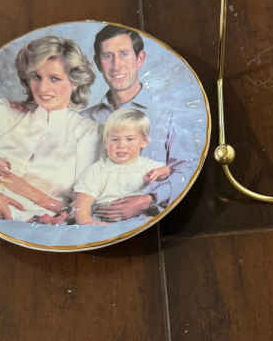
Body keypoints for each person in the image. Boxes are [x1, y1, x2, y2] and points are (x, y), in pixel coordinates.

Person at [0, 36, 100, 222]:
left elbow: (84, 203)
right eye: (36, 77)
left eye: (54, 79)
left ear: (75, 82)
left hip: (37, 222)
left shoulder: (89, 133)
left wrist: (35, 197)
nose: (43, 88)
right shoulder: (6, 113)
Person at [82, 24, 197, 222]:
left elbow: (188, 169)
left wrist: (149, 199)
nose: (116, 65)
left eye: (124, 54)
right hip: (91, 223)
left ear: (140, 59)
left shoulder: (169, 113)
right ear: (98, 63)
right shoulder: (84, 119)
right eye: (107, 56)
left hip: (150, 223)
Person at [74, 109, 171, 225]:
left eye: (129, 139)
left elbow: (169, 172)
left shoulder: (147, 165)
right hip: (106, 219)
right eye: (114, 139)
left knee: (156, 219)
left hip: (140, 216)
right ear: (106, 143)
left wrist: (161, 171)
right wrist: (86, 221)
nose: (121, 145)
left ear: (144, 142)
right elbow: (82, 204)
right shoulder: (96, 171)